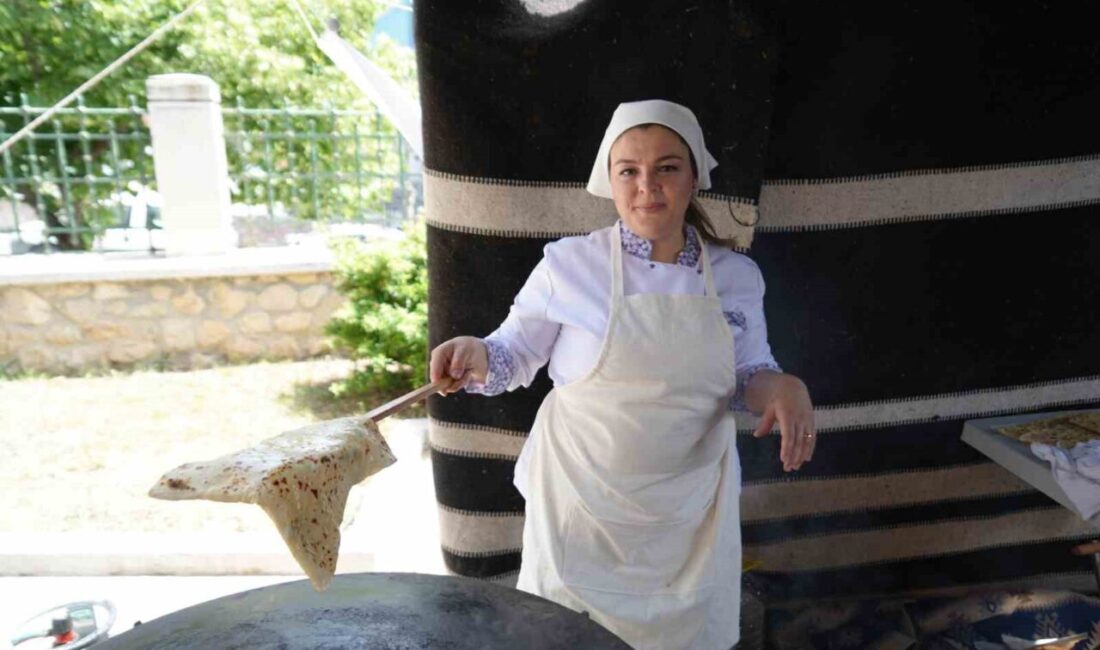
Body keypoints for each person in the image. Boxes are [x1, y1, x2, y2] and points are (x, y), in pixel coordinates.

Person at [429, 99, 815, 650]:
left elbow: (748, 375)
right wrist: (475, 353)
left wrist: (782, 388)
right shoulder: (569, 266)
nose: (646, 187)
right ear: (609, 180)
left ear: (694, 178)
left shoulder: (735, 277)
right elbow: (511, 353)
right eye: (628, 170)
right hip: (581, 509)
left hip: (689, 521)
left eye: (667, 168)